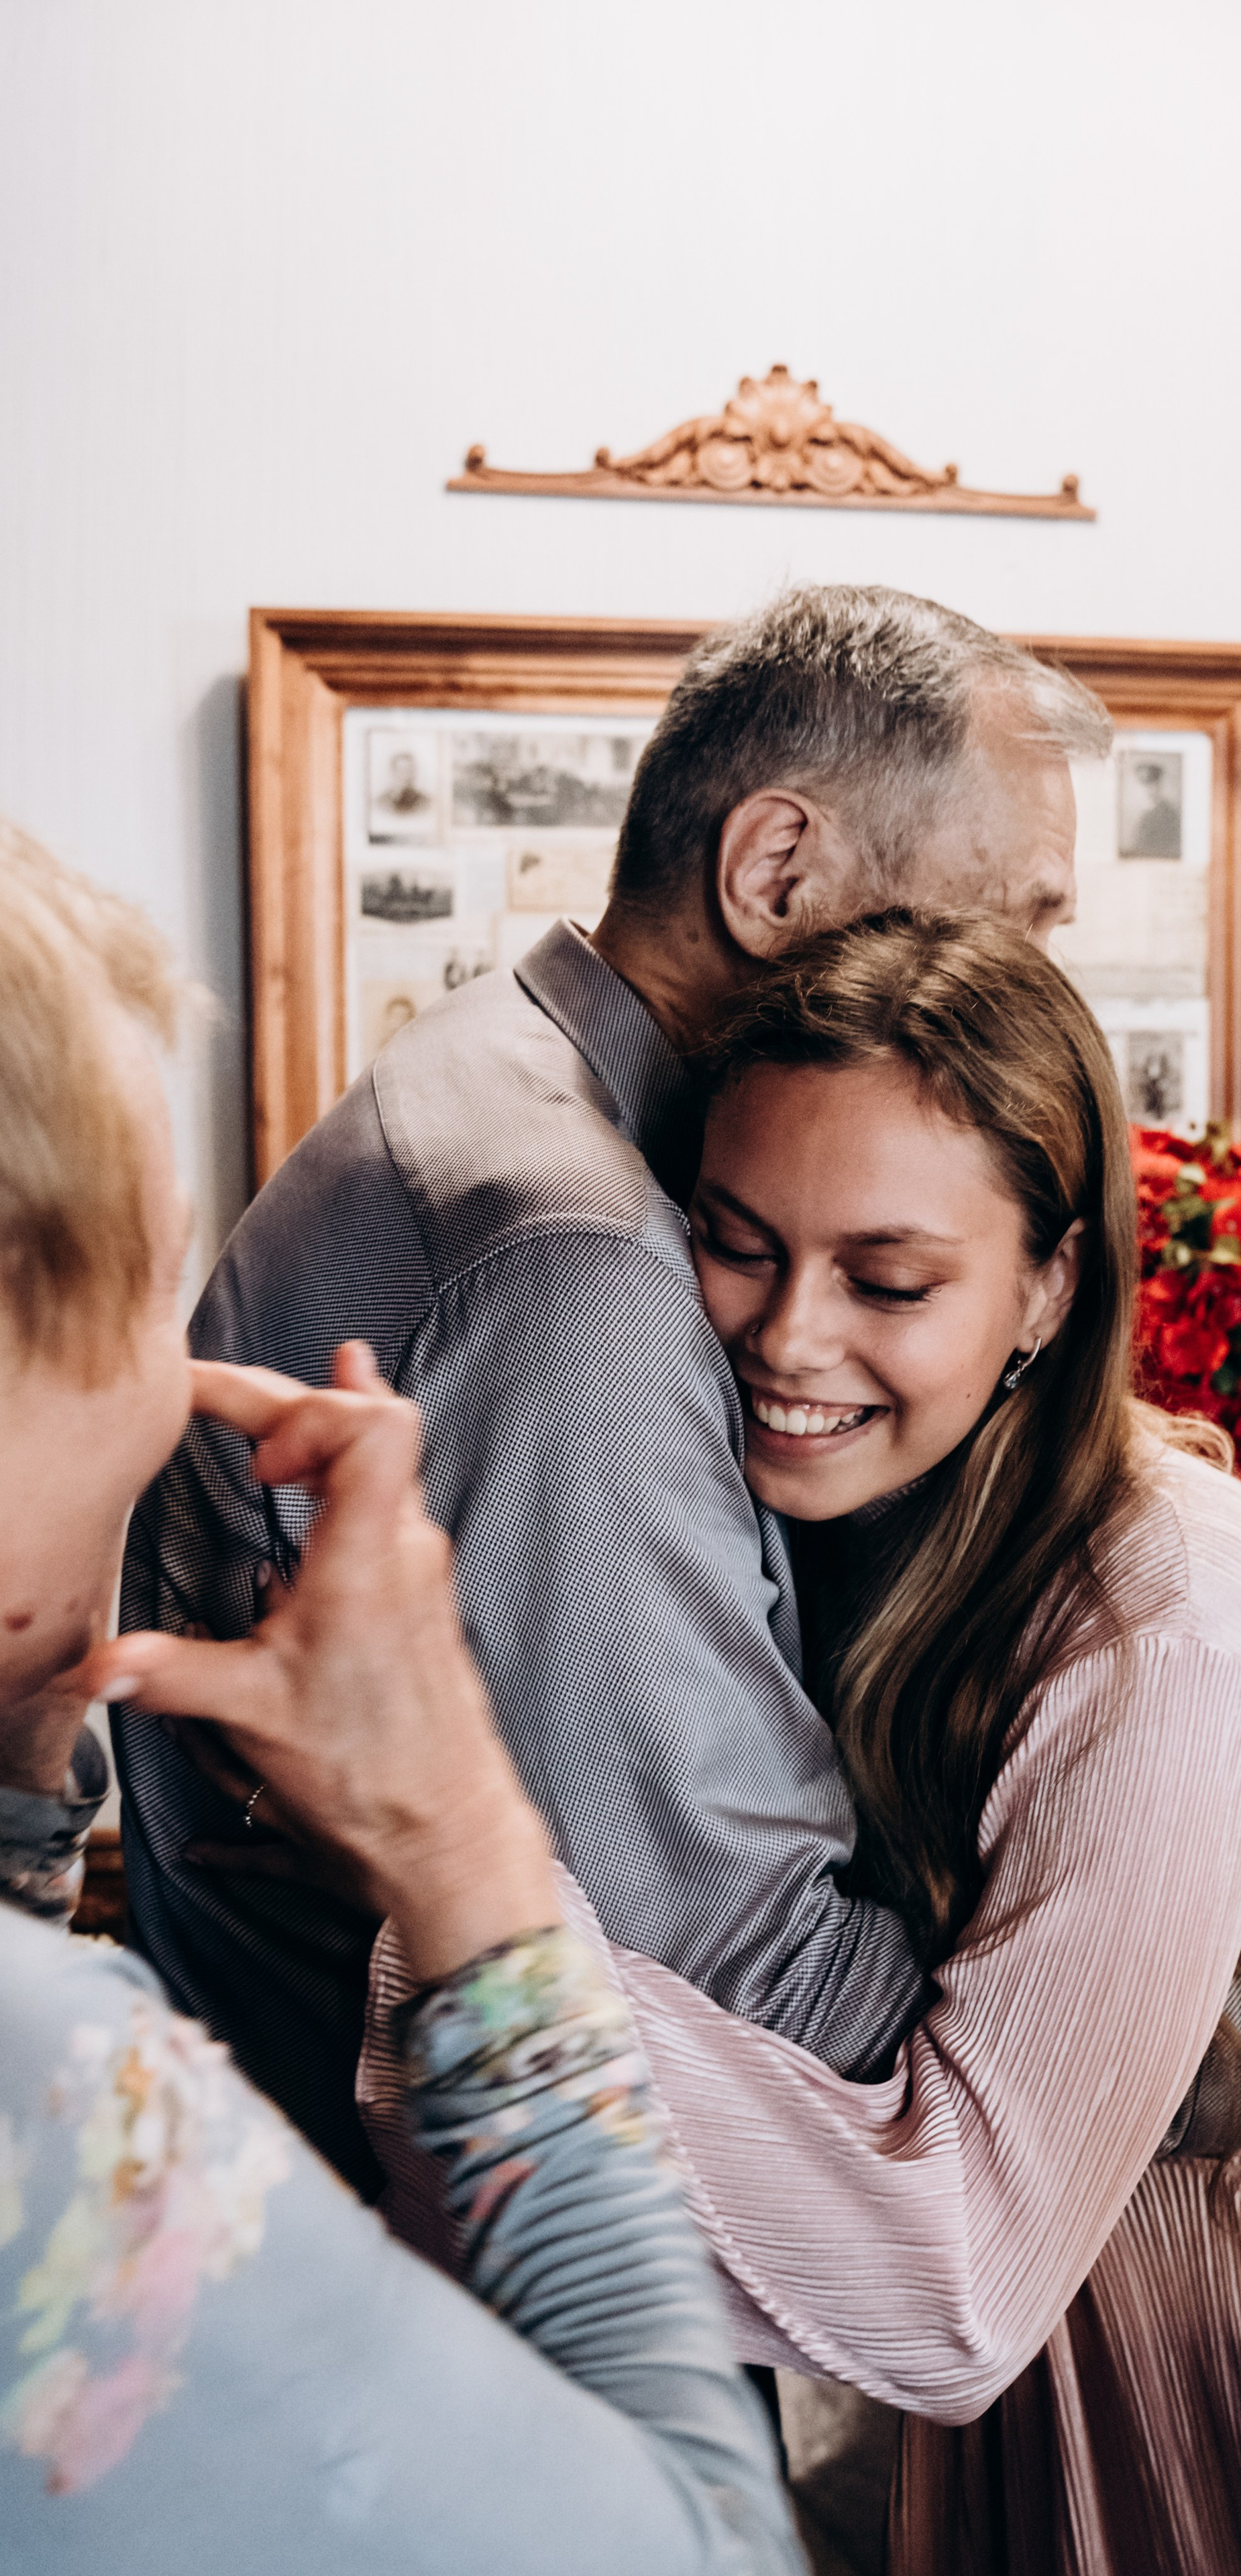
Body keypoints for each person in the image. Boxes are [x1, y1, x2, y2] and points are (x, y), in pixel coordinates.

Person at [118, 584, 1241, 2208]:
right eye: (1021, 917)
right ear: (775, 874)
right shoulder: (575, 1256)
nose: (1033, 985)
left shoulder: (508, 1091)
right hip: (472, 2257)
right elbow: (741, 1988)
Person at [342, 912, 1241, 2575]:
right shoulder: (825, 1520)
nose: (787, 1335)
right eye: (733, 1246)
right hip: (1056, 2413)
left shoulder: (1163, 1603)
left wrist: (463, 1929)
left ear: (1048, 1288)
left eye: (888, 1280)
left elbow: (950, 2267)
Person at [0, 826, 802, 2573]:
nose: (180, 1388)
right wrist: (468, 1851)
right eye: (150, 1298)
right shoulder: (43, 2095)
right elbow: (710, 2550)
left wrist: (24, 1722)